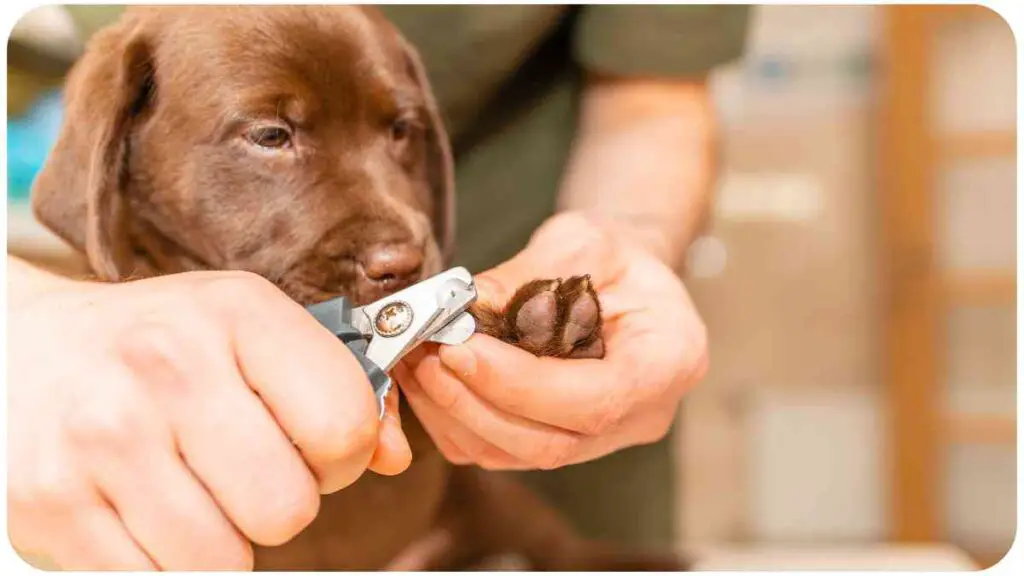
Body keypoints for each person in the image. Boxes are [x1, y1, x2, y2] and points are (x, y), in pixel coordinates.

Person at [8, 4, 749, 569]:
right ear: (116, 149)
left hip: (507, 453)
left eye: (398, 133)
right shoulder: (105, 395)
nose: (397, 236)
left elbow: (651, 103)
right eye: (272, 136)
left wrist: (622, 250)